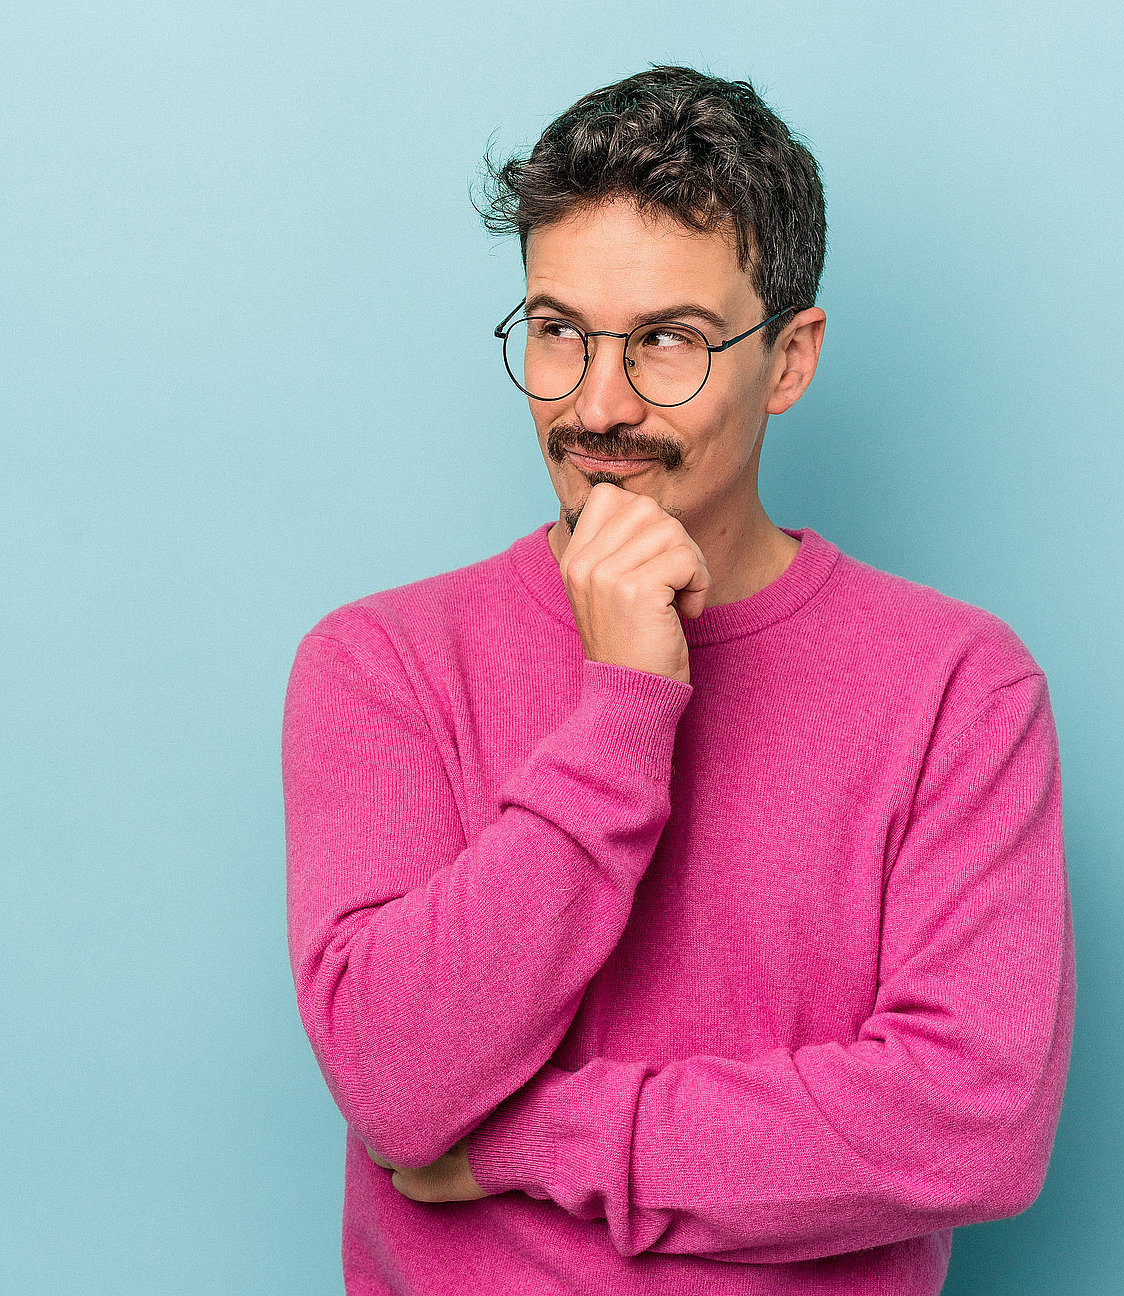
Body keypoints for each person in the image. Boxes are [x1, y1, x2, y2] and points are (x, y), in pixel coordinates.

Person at [281, 64, 1075, 1296]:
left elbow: (972, 1122)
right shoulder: (381, 664)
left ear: (790, 360)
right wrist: (624, 710)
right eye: (558, 330)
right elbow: (397, 1086)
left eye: (668, 342)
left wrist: (542, 1138)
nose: (597, 405)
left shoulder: (959, 689)